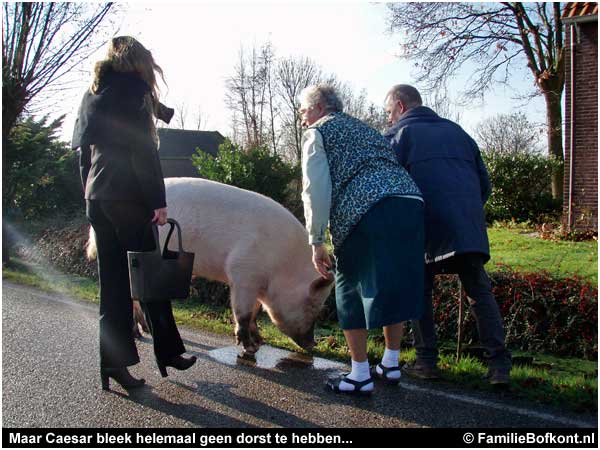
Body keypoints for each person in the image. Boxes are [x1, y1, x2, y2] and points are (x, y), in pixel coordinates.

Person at [71, 36, 196, 391]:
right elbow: (143, 152)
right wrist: (158, 200)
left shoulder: (92, 94)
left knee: (113, 289)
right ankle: (168, 352)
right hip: (129, 199)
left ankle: (112, 366)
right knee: (150, 275)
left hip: (98, 199)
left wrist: (89, 193)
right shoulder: (136, 91)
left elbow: (83, 154)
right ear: (140, 63)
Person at [299, 84, 424, 395]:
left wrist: (316, 240)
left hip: (367, 208)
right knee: (391, 283)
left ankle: (359, 375)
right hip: (411, 202)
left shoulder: (318, 132)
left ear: (317, 108)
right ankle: (391, 364)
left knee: (349, 287)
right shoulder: (364, 128)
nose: (302, 118)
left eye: (303, 111)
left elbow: (315, 189)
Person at [383, 84, 512, 385]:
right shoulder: (459, 133)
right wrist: (465, 213)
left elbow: (385, 186)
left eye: (389, 112)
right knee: (479, 293)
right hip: (467, 224)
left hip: (421, 224)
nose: (389, 119)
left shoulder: (396, 136)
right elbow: (485, 184)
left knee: (418, 291)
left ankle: (427, 362)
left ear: (400, 106)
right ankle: (499, 367)